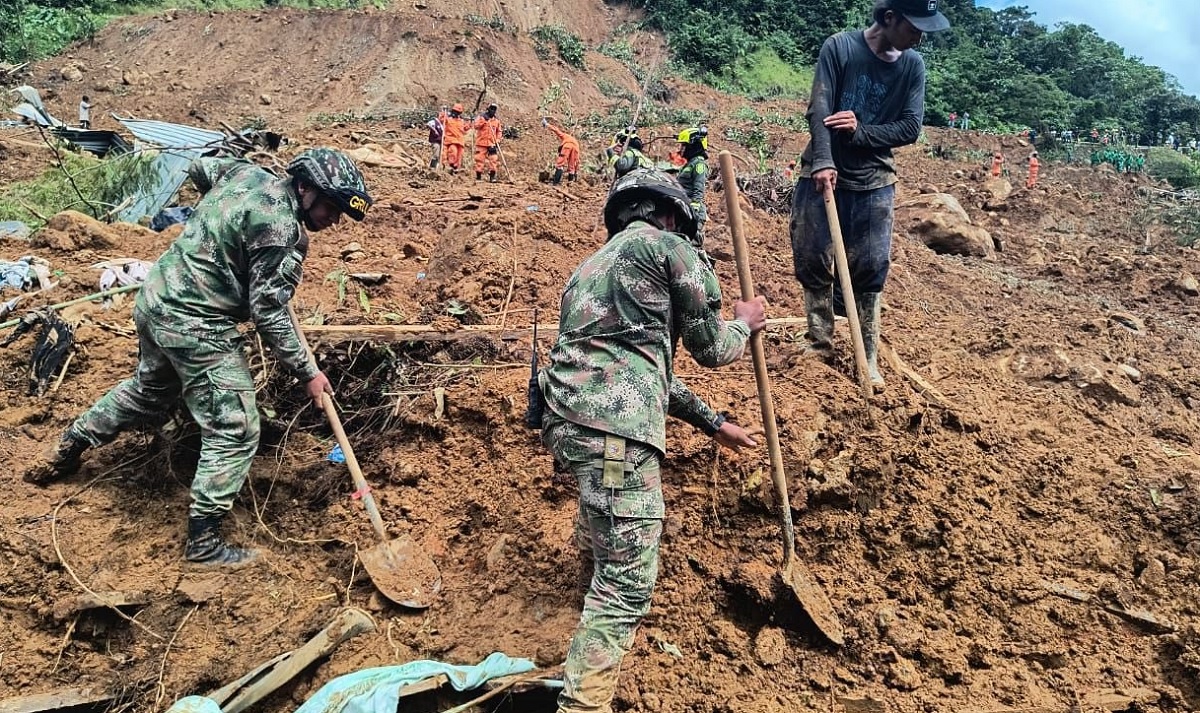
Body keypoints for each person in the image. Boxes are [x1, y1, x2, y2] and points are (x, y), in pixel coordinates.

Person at [23, 148, 374, 569]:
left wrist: (223, 224)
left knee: (149, 392)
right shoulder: (282, 232)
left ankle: (71, 443)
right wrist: (308, 372)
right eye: (332, 208)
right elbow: (268, 313)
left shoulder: (246, 173)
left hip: (157, 297)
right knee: (236, 425)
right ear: (305, 187)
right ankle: (204, 542)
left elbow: (200, 166)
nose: (333, 220)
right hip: (196, 324)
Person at [538, 168, 765, 713]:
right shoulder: (669, 249)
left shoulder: (588, 269)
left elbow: (641, 374)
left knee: (605, 509)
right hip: (613, 437)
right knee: (628, 581)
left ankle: (588, 586)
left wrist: (713, 423)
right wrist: (744, 323)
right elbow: (710, 347)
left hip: (570, 423)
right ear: (670, 215)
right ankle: (582, 705)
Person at [790, 0, 949, 390]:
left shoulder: (912, 66)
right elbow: (820, 108)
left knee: (871, 266)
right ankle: (820, 339)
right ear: (889, 18)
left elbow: (910, 127)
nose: (920, 37)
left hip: (875, 179)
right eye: (915, 26)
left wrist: (861, 132)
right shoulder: (840, 48)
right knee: (811, 254)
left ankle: (869, 354)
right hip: (823, 170)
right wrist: (825, 161)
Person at [674, 126, 710, 238]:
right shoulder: (689, 164)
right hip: (684, 209)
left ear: (693, 145)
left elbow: (698, 189)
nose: (681, 149)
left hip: (692, 212)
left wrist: (692, 212)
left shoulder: (699, 164)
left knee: (690, 242)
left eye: (684, 145)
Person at [543, 117, 580, 184]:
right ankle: (570, 183)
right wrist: (576, 173)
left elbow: (556, 130)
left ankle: (555, 183)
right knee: (572, 167)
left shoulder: (565, 137)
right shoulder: (573, 141)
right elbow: (576, 162)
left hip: (568, 146)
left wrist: (547, 124)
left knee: (559, 165)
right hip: (576, 148)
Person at [473, 102, 503, 182]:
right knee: (479, 160)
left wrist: (498, 140)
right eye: (491, 109)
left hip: (491, 143)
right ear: (488, 109)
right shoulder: (481, 117)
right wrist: (484, 120)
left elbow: (499, 132)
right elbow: (476, 126)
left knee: (494, 159)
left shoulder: (496, 121)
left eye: (494, 109)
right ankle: (478, 177)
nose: (493, 111)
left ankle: (492, 177)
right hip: (481, 143)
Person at [438, 104, 469, 174]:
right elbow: (441, 120)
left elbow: (465, 129)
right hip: (450, 140)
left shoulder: (461, 121)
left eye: (458, 112)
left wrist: (470, 123)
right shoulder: (448, 119)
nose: (456, 113)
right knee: (452, 152)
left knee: (459, 157)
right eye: (455, 111)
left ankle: (455, 169)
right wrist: (443, 112)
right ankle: (449, 166)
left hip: (460, 141)